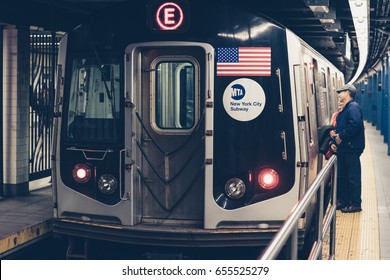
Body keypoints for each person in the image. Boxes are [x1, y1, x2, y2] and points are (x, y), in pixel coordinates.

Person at [330, 84, 365, 213]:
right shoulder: (347, 108)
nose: (339, 94)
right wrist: (335, 140)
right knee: (343, 176)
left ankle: (356, 204)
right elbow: (342, 126)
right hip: (345, 148)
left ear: (349, 93)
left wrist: (341, 136)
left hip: (351, 148)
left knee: (353, 177)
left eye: (341, 91)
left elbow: (355, 125)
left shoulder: (353, 107)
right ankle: (344, 201)